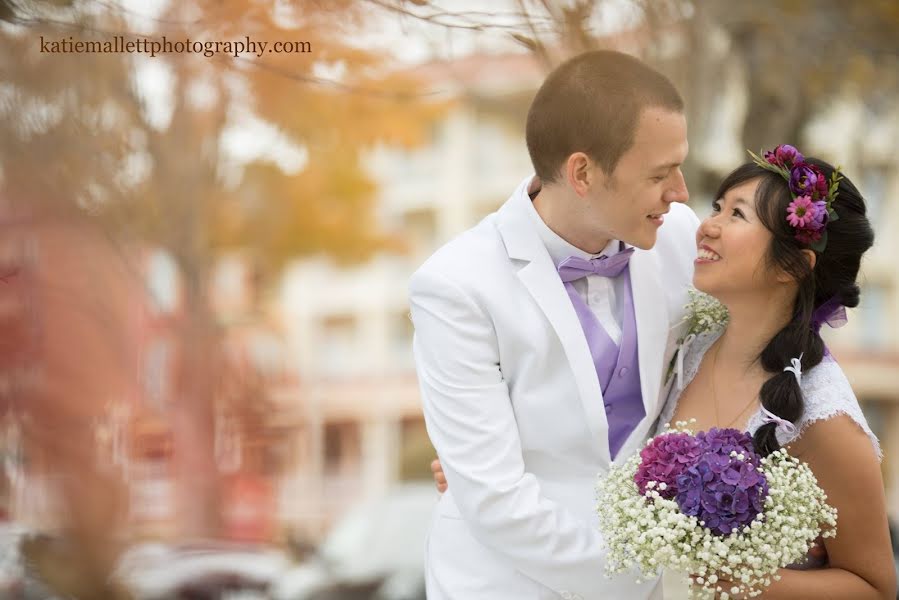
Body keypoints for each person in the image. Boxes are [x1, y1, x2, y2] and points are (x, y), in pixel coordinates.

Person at [409, 49, 695, 600]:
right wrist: (648, 575)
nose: (680, 192)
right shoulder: (454, 284)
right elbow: (494, 498)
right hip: (505, 580)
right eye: (660, 174)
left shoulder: (681, 237)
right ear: (582, 172)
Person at [657, 147, 896, 598]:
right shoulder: (689, 346)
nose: (707, 226)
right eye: (718, 208)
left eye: (738, 215)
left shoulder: (825, 417)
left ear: (793, 266)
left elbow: (876, 588)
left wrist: (736, 580)